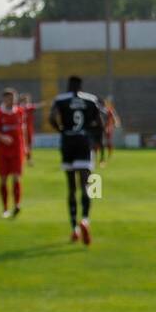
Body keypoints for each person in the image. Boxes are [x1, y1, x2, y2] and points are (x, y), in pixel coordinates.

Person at [48, 75, 105, 245]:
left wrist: (61, 130)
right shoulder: (91, 99)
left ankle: (74, 228)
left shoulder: (60, 100)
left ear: (68, 86)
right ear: (81, 86)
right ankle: (85, 219)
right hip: (84, 141)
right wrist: (96, 142)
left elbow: (52, 117)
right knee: (86, 184)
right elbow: (100, 122)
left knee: (71, 187)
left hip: (68, 141)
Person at [0, 87, 26, 218]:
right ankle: (5, 208)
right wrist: (2, 137)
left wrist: (25, 147)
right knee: (3, 179)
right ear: (4, 99)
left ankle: (17, 205)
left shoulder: (20, 112)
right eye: (9, 98)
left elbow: (23, 130)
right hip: (3, 151)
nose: (12, 100)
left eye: (14, 98)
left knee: (17, 177)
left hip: (17, 150)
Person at [19, 92, 38, 166]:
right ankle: (27, 159)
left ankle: (27, 159)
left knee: (27, 145)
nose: (28, 100)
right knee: (26, 145)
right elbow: (35, 106)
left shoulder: (22, 107)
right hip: (24, 129)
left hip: (27, 129)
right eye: (27, 99)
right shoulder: (23, 108)